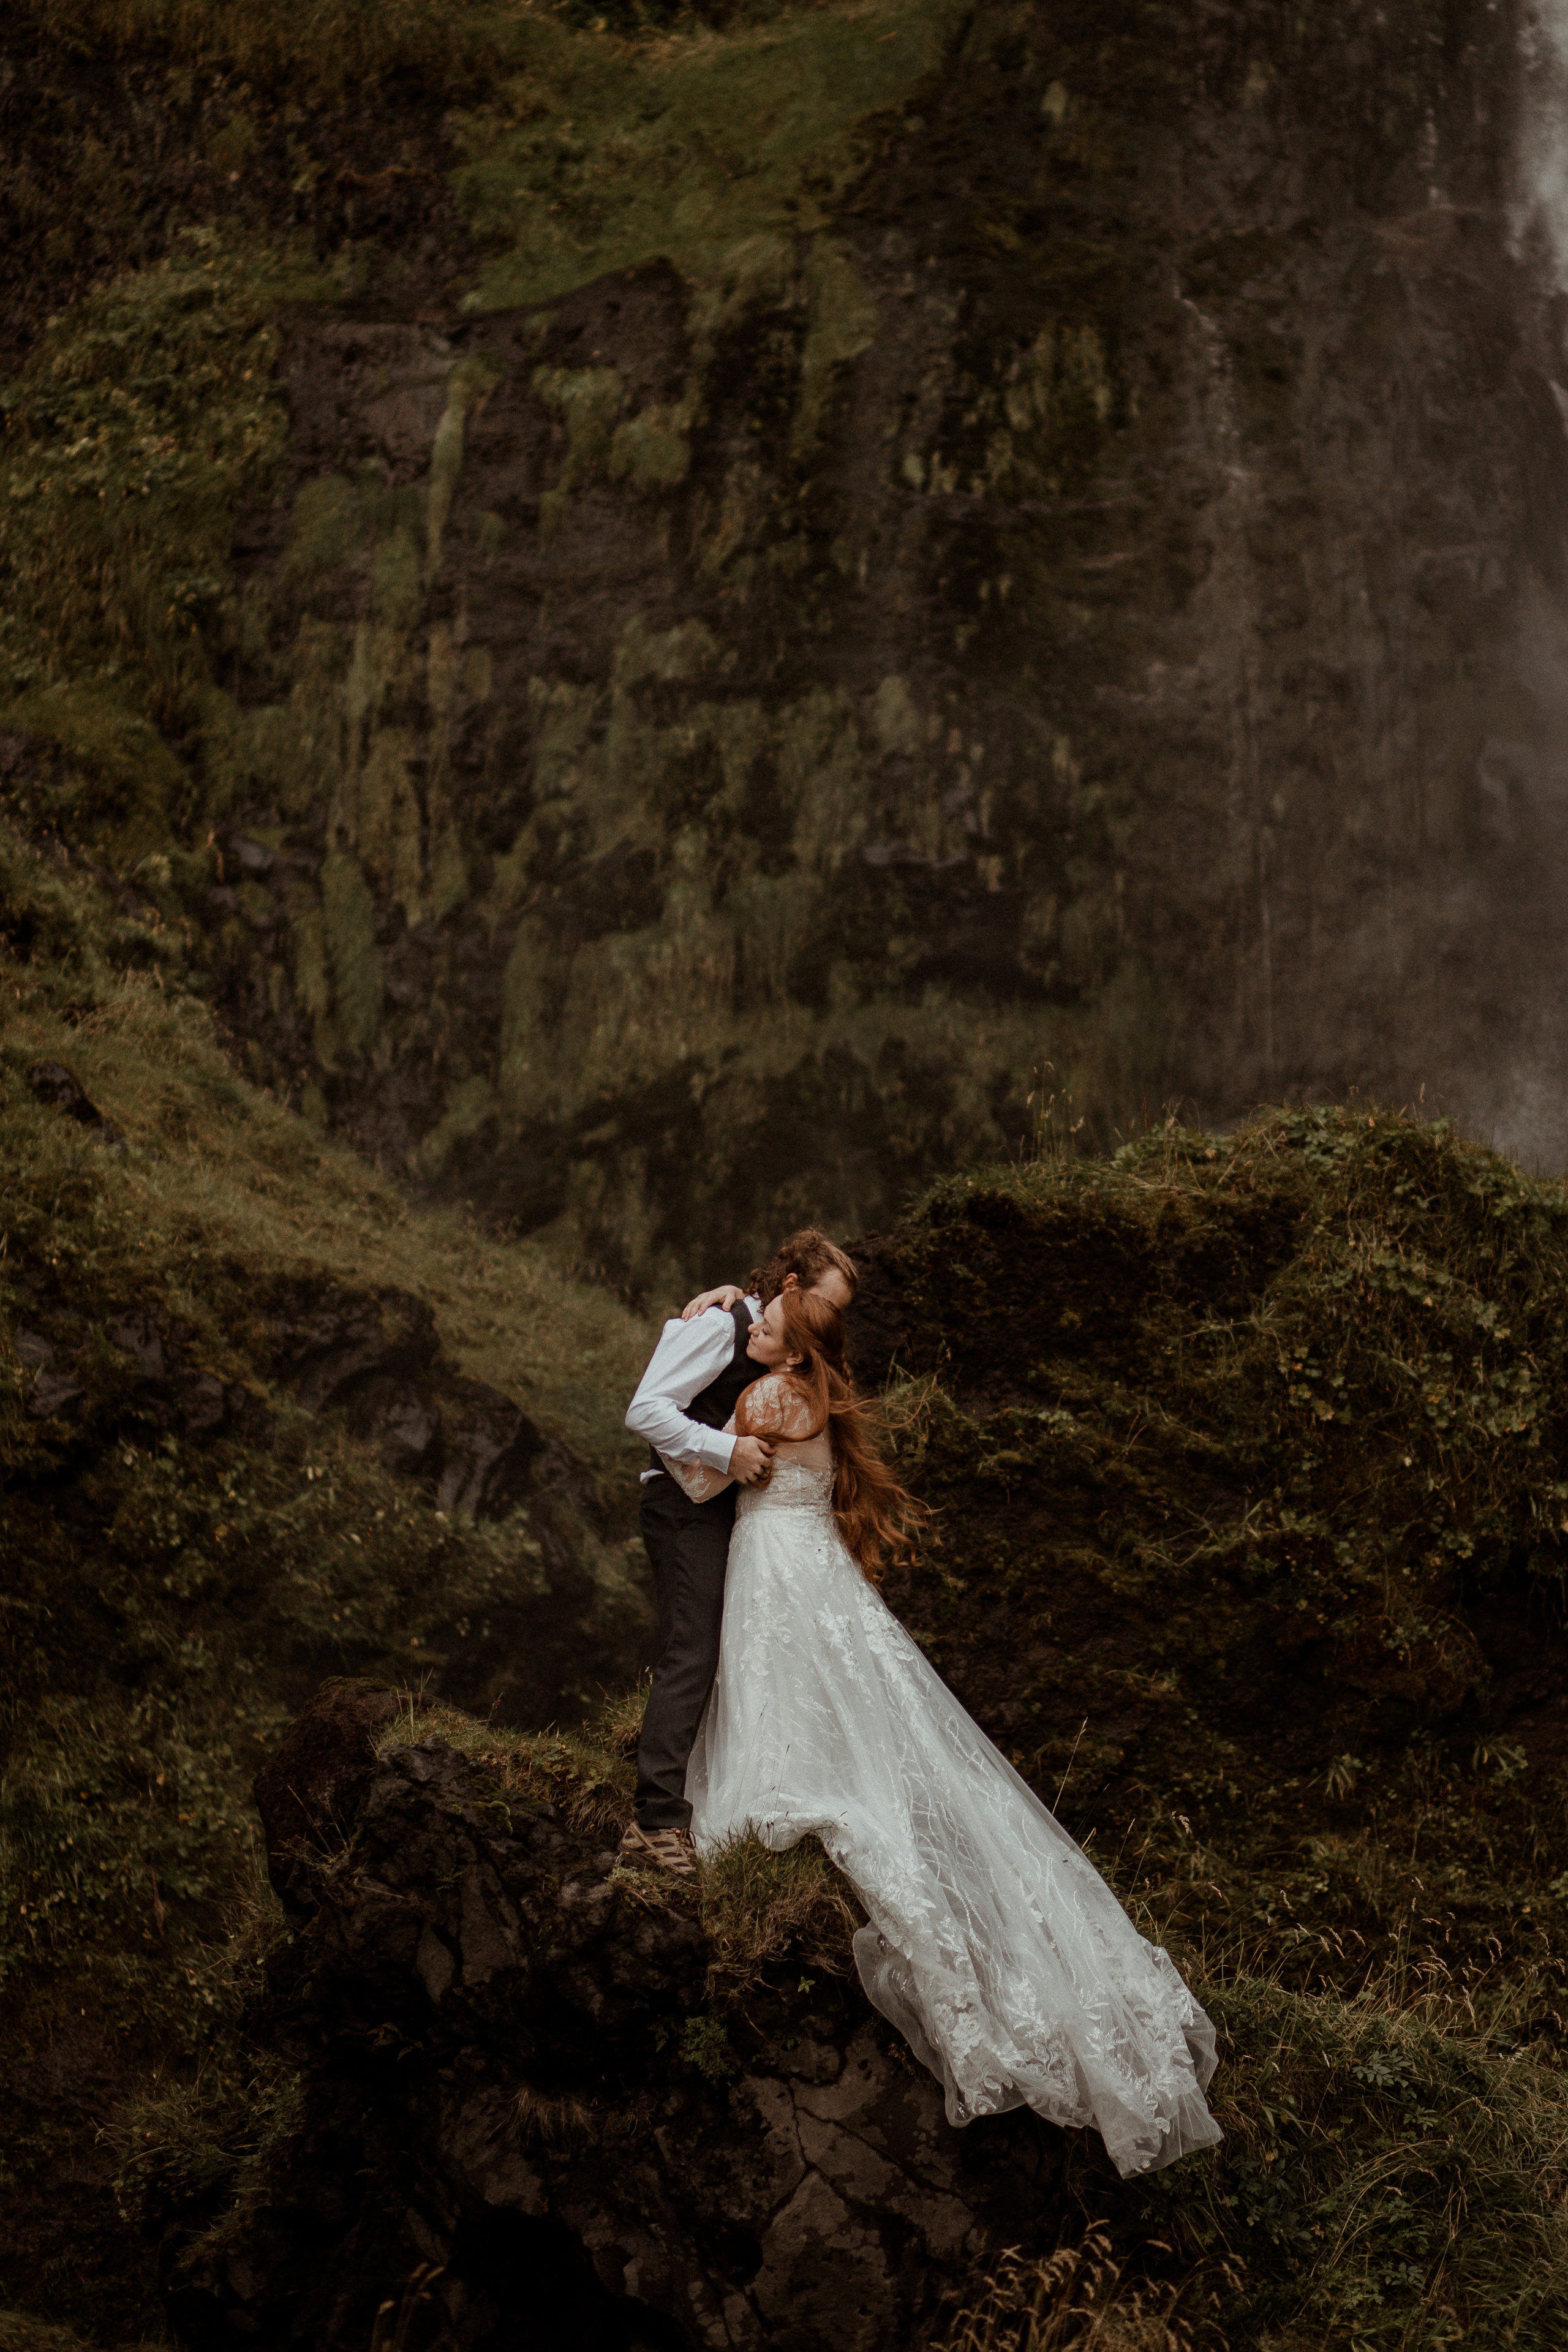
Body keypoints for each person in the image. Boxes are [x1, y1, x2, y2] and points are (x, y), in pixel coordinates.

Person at [677, 1286, 1223, 2180]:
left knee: (784, 1688)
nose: (754, 1331)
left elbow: (703, 1476)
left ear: (795, 1352)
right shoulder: (813, 1397)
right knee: (849, 1695)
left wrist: (675, 1411)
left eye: (768, 1325)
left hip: (778, 1563)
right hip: (816, 1565)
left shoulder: (764, 1398)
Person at [619, 1229, 858, 1877]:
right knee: (691, 1649)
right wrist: (728, 1452)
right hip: (681, 1504)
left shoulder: (772, 1342)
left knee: (722, 1649)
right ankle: (656, 1821)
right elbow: (645, 1410)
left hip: (724, 1507)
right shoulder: (717, 1327)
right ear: (789, 1288)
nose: (828, 1321)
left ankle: (703, 1796)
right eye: (825, 1304)